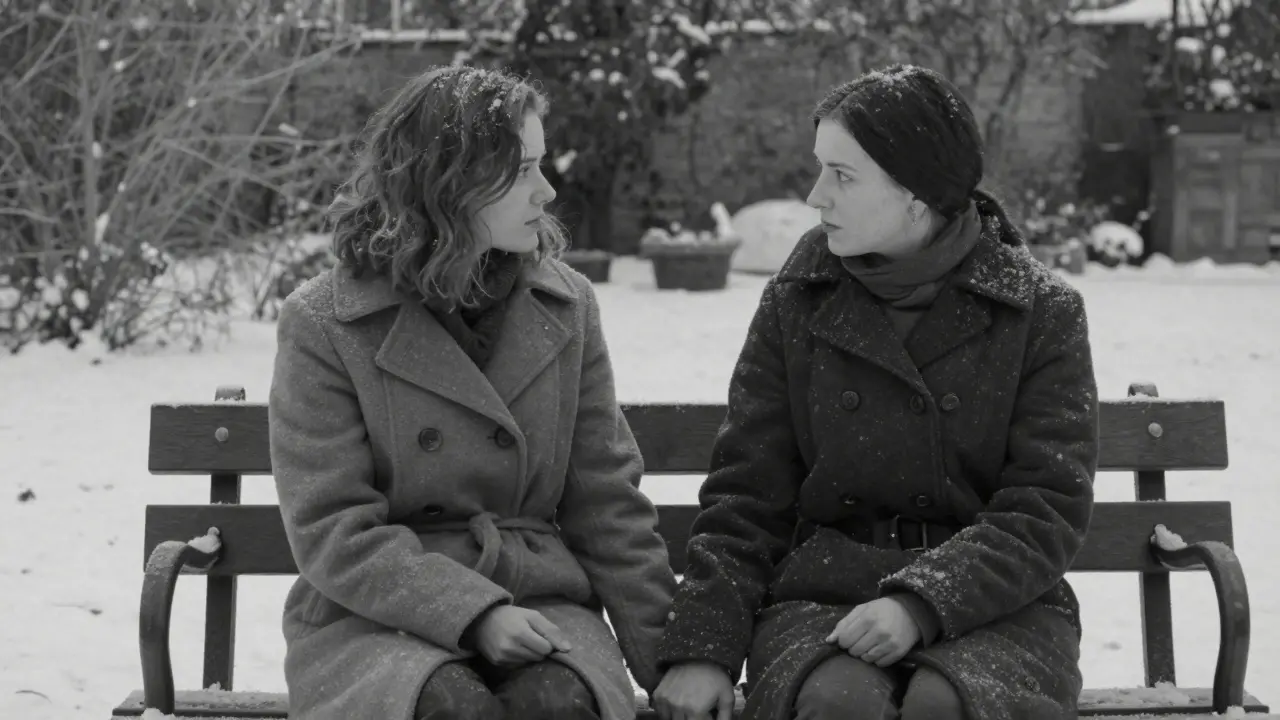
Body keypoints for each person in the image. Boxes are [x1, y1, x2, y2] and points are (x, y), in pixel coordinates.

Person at [651, 64, 1099, 720]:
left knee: (947, 705)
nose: (814, 196)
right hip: (823, 598)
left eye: (842, 175)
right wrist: (703, 646)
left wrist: (922, 602)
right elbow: (749, 495)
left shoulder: (1040, 310)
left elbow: (1045, 506)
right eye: (819, 168)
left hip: (998, 607)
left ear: (916, 193)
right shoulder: (798, 300)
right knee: (840, 703)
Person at [268, 65, 675, 720]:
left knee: (560, 702)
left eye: (541, 165)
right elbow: (331, 526)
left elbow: (606, 501)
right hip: (376, 618)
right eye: (522, 172)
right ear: (448, 182)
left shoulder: (565, 306)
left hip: (542, 599)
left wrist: (670, 664)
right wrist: (473, 613)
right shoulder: (328, 323)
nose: (547, 192)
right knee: (447, 706)